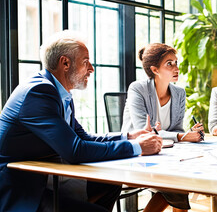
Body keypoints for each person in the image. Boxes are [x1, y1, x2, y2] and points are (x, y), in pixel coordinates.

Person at [0, 30, 163, 212]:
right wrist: (138, 147)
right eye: (86, 62)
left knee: (111, 182)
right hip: (21, 189)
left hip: (46, 175)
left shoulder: (60, 93)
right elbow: (75, 150)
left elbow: (83, 137)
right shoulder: (39, 93)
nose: (91, 68)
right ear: (65, 63)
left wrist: (129, 136)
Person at [121, 43, 204, 212]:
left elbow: (177, 129)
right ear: (155, 69)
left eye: (176, 62)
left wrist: (189, 134)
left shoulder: (179, 93)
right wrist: (181, 137)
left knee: (182, 178)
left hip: (166, 154)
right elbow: (144, 131)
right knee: (178, 184)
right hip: (138, 154)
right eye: (169, 64)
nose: (176, 68)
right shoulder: (138, 89)